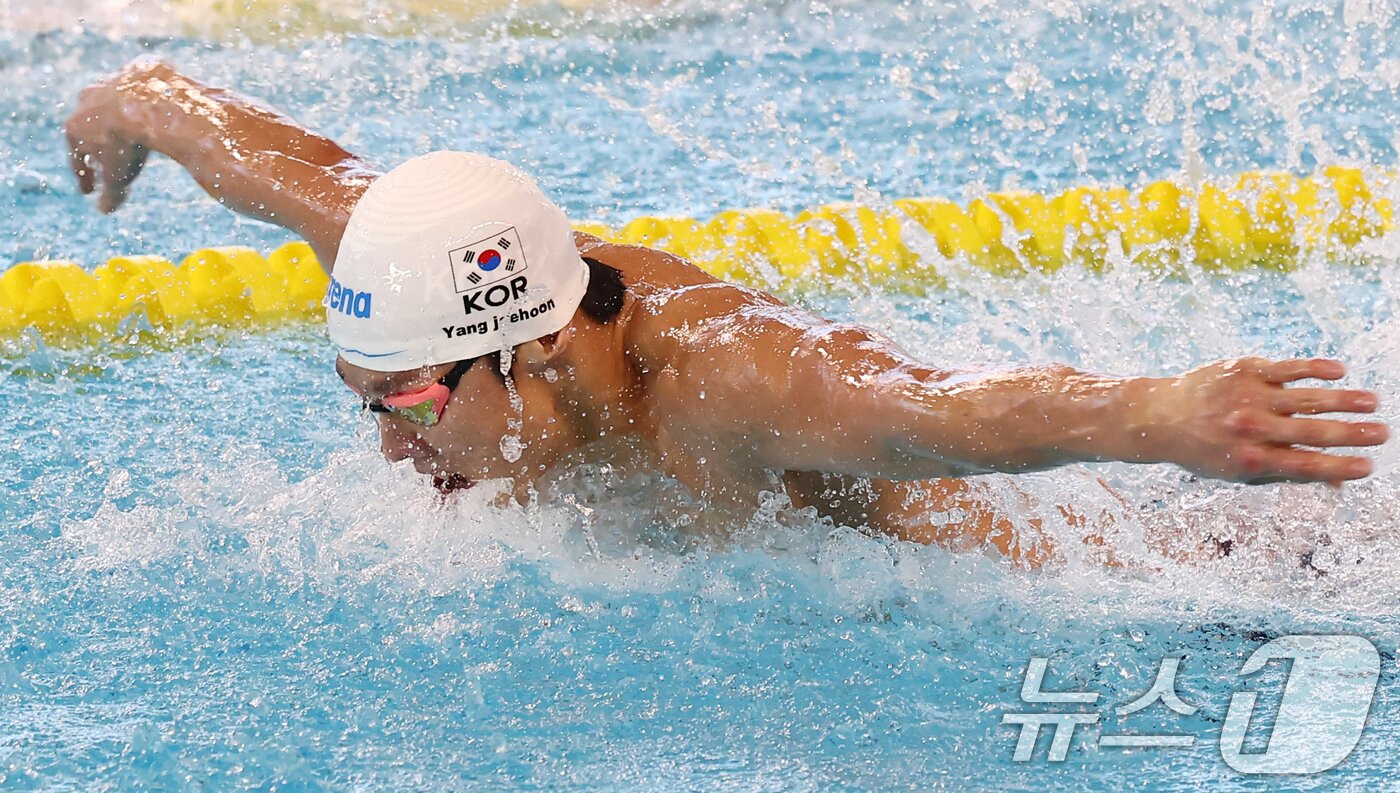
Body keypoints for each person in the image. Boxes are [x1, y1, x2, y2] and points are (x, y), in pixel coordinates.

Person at [63, 59, 1390, 566]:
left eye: (409, 404)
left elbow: (945, 413)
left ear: (527, 348)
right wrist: (119, 115)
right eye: (367, 402)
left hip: (1143, 568)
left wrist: (1162, 412)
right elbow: (226, 134)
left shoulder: (722, 379)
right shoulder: (422, 262)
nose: (389, 451)